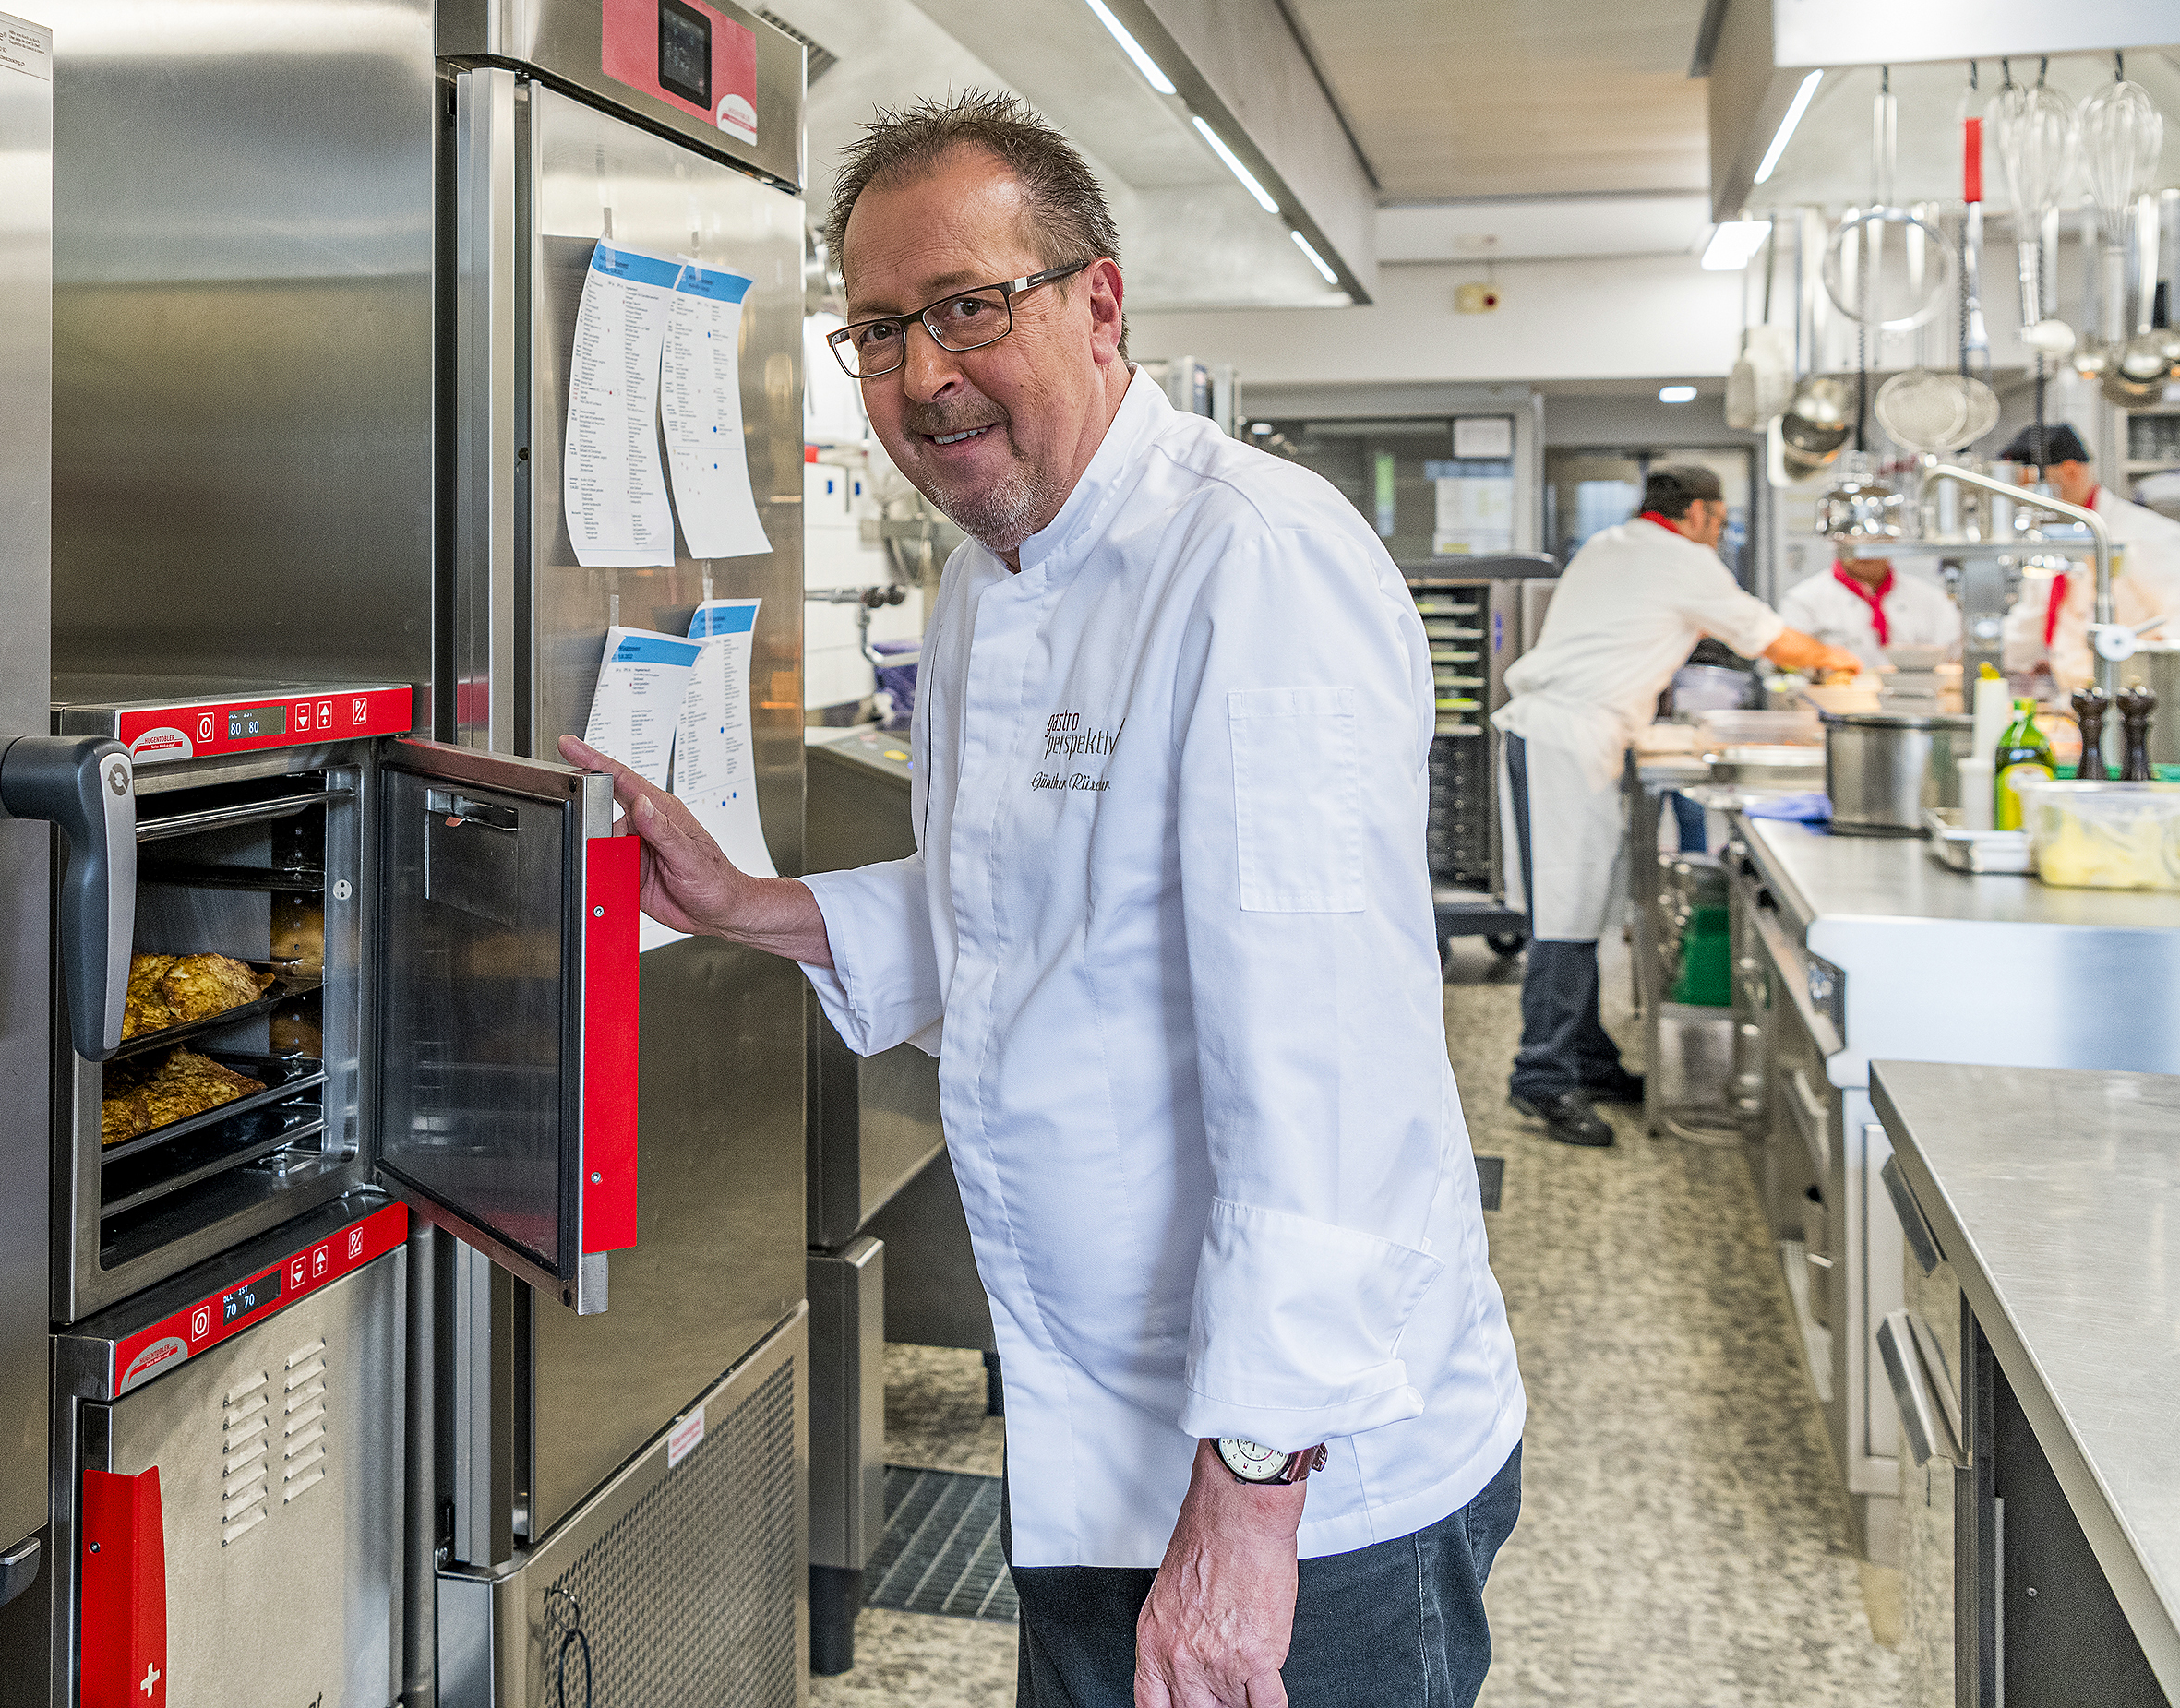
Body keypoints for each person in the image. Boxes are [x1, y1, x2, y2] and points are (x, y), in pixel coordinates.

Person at [561, 92, 1523, 1708]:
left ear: (1098, 300)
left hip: (1301, 1480)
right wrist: (746, 904)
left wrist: (1247, 1501)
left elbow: (1327, 1077)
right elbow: (1009, 915)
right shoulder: (984, 572)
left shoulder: (1247, 566)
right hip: (1101, 1434)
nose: (921, 374)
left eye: (965, 307)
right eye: (875, 329)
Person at [1489, 470, 1860, 1149]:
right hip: (1569, 735)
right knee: (1567, 910)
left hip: (1556, 731)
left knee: (1581, 903)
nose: (1717, 534)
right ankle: (1540, 1074)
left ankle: (1588, 1058)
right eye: (1718, 521)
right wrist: (1848, 665)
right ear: (1695, 513)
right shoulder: (1680, 558)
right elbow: (1774, 640)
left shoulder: (1610, 542)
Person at [1994, 423, 2180, 691]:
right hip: (2073, 700)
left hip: (2133, 704)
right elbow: (2030, 620)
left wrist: (2136, 659)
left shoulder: (2145, 535)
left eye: (2030, 489)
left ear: (2070, 471)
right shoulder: (2054, 536)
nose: (2024, 502)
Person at [1778, 547, 1964, 664]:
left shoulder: (1932, 599)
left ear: (1892, 540)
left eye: (1875, 539)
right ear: (1835, 541)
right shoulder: (1802, 600)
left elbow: (1954, 658)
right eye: (1854, 538)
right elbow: (1787, 666)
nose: (1864, 549)